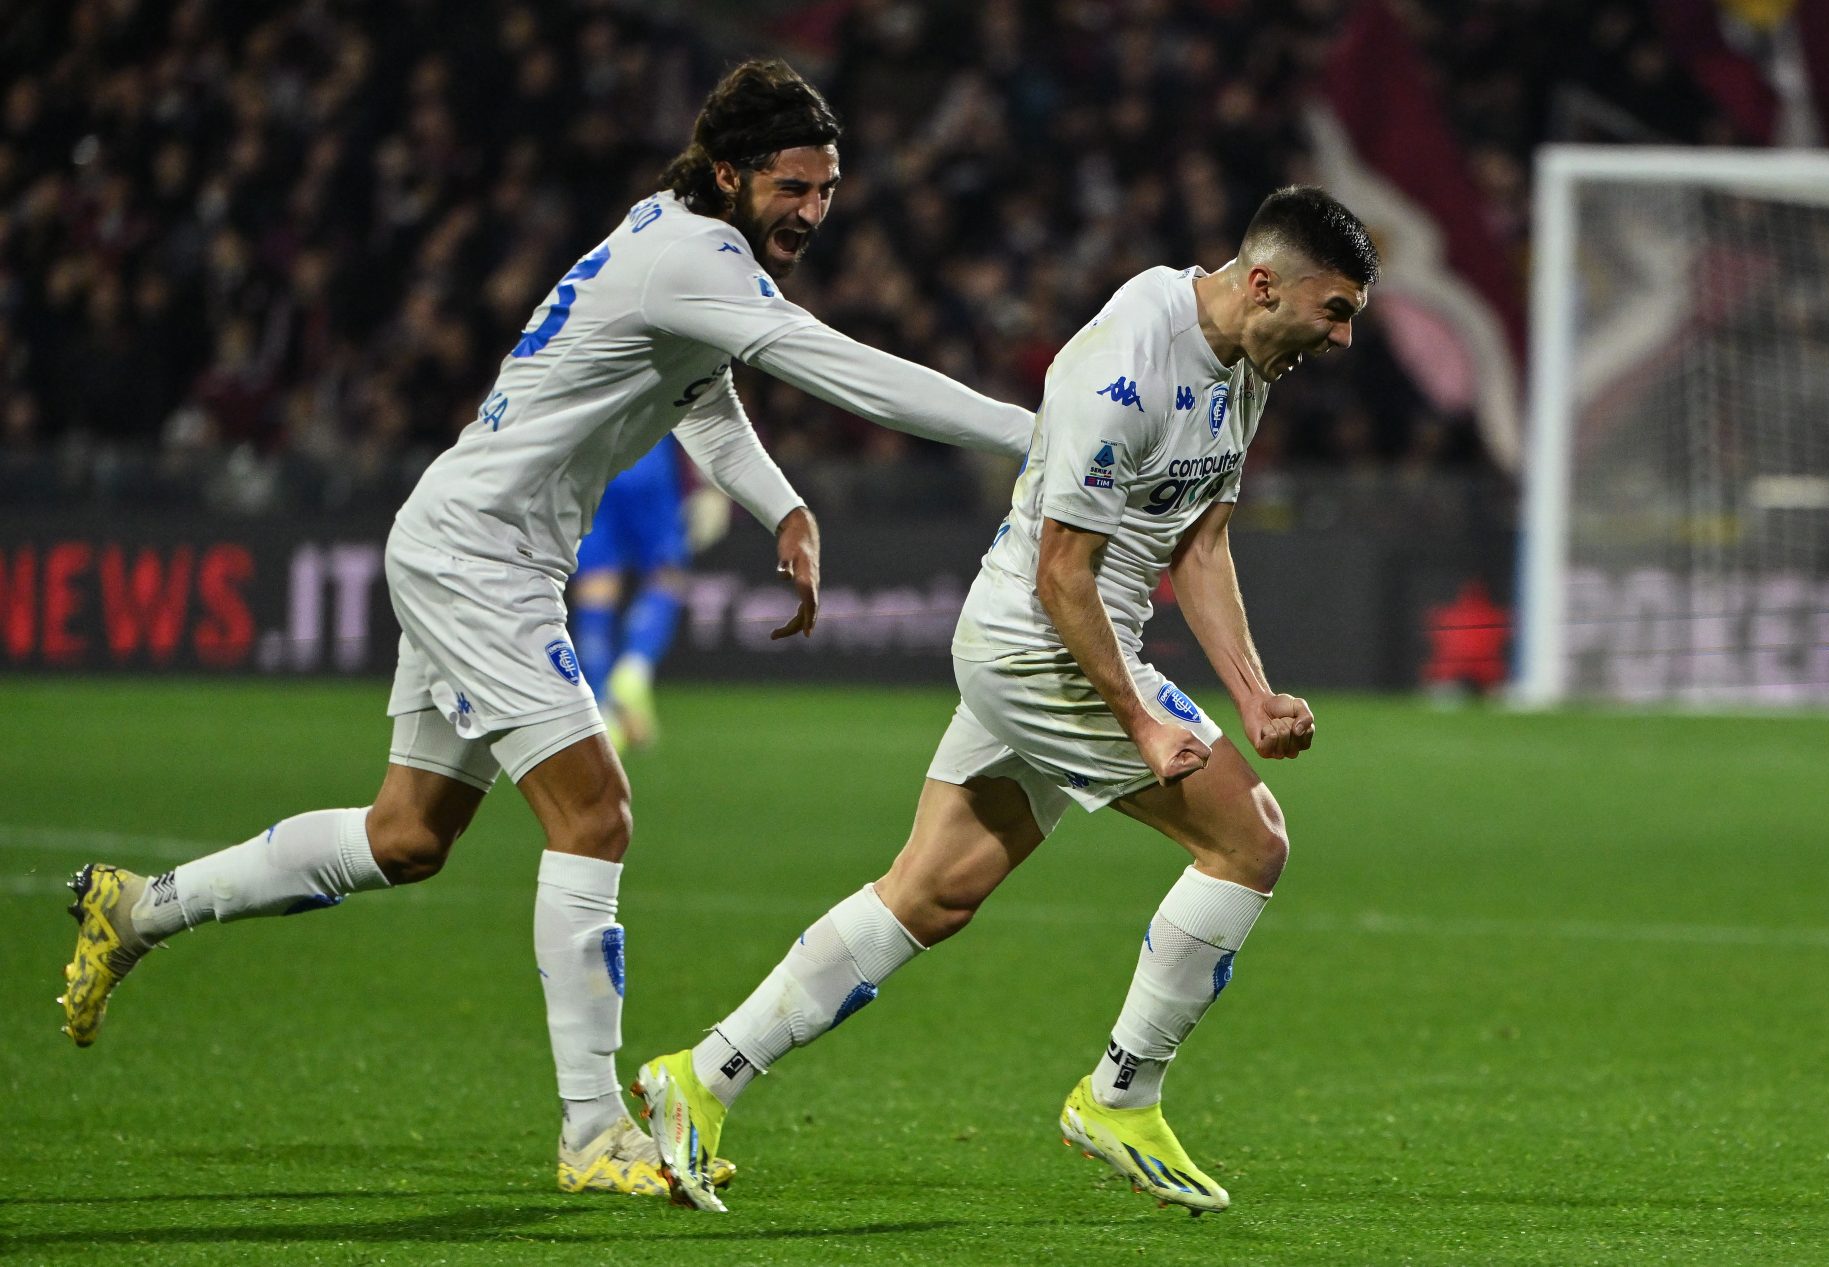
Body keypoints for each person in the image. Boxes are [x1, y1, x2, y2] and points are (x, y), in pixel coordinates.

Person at [57, 59, 1031, 1200]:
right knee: (595, 812)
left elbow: (703, 389)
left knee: (405, 835)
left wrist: (780, 504)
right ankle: (593, 1131)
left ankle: (140, 906)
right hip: (480, 558)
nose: (813, 211)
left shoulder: (677, 236)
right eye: (793, 187)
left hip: (471, 539)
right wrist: (1037, 433)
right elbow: (838, 369)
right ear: (730, 173)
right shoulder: (693, 256)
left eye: (827, 189)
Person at [632, 186, 1379, 1215]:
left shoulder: (1246, 361)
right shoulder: (1128, 364)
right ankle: (1121, 1095)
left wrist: (1250, 694)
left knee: (932, 892)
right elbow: (1062, 575)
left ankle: (699, 1076)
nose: (1340, 339)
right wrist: (1143, 720)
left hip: (1047, 645)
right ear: (1263, 284)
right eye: (1334, 311)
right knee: (1250, 842)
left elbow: (1200, 542)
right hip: (1042, 645)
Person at [569, 434, 699, 754]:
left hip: (592, 462)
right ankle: (634, 666)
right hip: (647, 454)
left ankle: (601, 711)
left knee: (595, 586)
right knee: (667, 574)